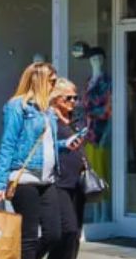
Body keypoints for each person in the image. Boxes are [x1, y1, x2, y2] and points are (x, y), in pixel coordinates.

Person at [0, 61, 61, 259]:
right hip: (24, 178)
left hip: (47, 180)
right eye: (52, 81)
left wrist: (64, 145)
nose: (54, 86)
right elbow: (8, 144)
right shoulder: (17, 106)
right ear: (39, 81)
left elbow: (46, 144)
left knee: (54, 234)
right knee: (29, 237)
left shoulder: (47, 110)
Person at [42, 79, 88, 259]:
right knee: (66, 231)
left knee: (74, 233)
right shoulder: (48, 119)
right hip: (59, 182)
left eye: (76, 98)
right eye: (68, 98)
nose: (73, 102)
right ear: (55, 98)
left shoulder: (74, 118)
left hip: (77, 181)